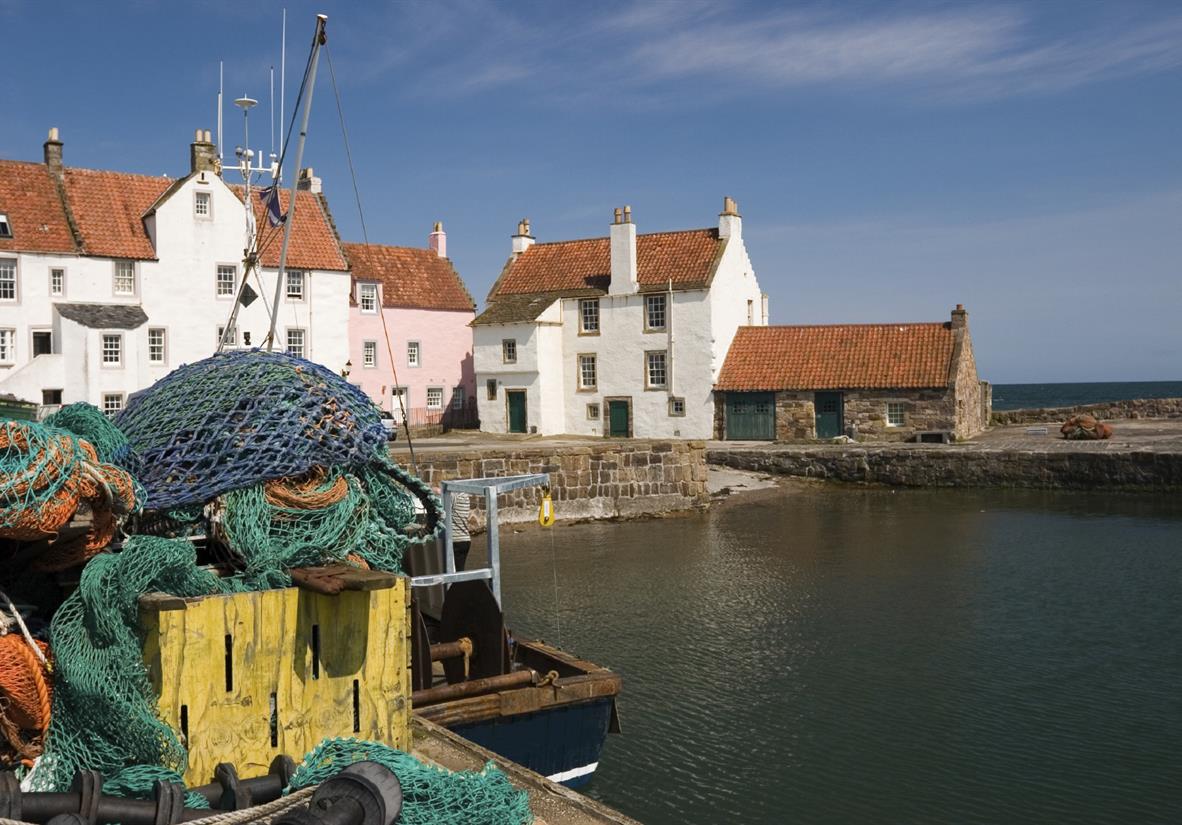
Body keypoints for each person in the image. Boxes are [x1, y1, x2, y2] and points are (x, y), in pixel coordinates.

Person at [450, 492, 471, 572]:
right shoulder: (466, 497)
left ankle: (457, 584)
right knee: (460, 570)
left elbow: (443, 512)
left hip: (455, 540)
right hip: (466, 539)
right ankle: (461, 583)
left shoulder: (455, 497)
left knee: (453, 571)